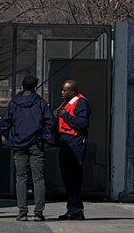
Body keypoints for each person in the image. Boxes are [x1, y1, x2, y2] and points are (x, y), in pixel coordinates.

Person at [0, 75, 54, 222]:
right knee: (38, 179)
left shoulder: (14, 103)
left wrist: (12, 136)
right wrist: (44, 138)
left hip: (19, 144)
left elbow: (4, 123)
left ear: (22, 87)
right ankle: (38, 212)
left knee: (21, 178)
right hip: (36, 144)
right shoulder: (41, 103)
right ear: (35, 87)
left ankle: (22, 212)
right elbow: (50, 123)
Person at [53, 79, 90, 221]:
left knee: (74, 178)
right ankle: (74, 209)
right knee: (67, 178)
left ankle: (75, 210)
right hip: (65, 143)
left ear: (73, 91)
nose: (62, 92)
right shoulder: (66, 103)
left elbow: (82, 123)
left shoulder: (81, 103)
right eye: (62, 90)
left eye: (65, 90)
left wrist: (64, 115)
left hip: (75, 144)